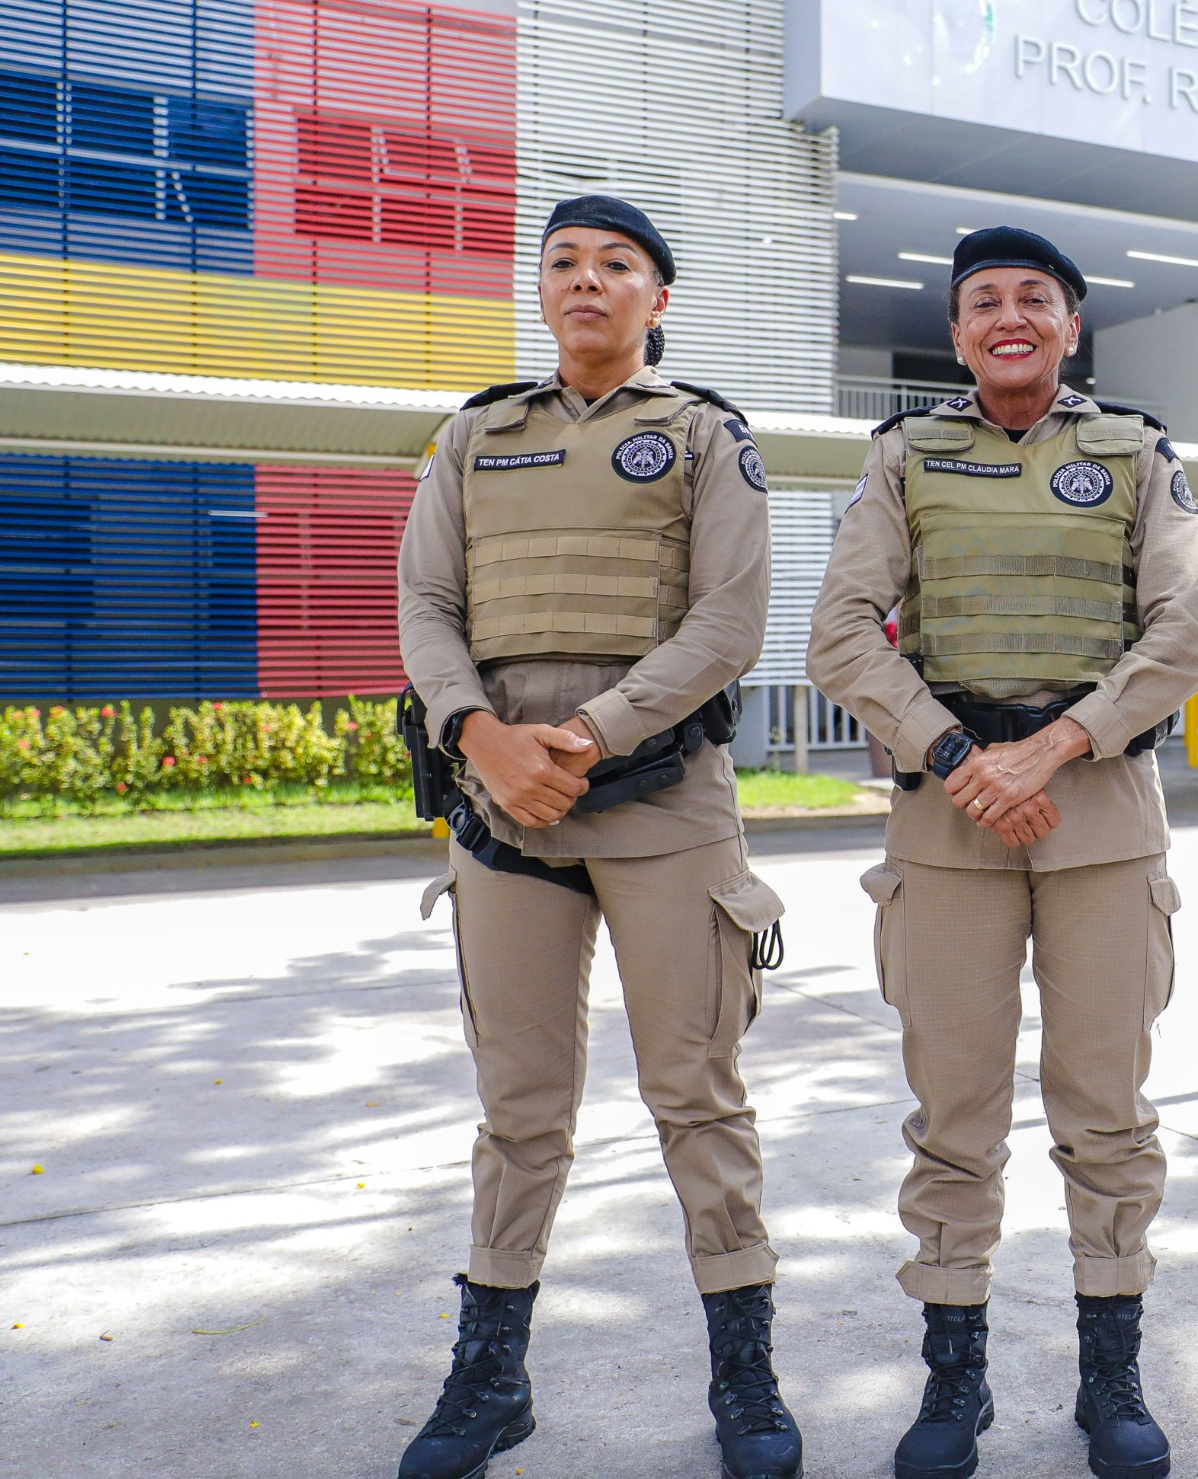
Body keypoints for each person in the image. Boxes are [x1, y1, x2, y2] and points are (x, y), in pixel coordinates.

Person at [394, 196, 801, 1479]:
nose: (586, 281)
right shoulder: (473, 432)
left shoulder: (701, 435)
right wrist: (478, 735)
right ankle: (490, 1376)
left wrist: (584, 735)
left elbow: (731, 618)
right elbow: (423, 600)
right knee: (519, 1108)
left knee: (696, 1093)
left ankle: (745, 1373)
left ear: (657, 299)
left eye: (615, 265)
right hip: (501, 806)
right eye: (564, 263)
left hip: (664, 803)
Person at [808, 226, 1198, 1479]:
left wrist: (1052, 749)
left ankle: (1112, 1375)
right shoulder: (905, 455)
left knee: (1105, 1112)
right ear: (956, 330)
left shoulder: (1136, 451)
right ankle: (955, 1377)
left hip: (1095, 811)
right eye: (982, 299)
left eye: (1033, 298)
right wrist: (956, 756)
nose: (1008, 316)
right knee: (955, 1114)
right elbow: (839, 629)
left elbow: (1185, 627)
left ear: (1072, 325)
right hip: (947, 816)